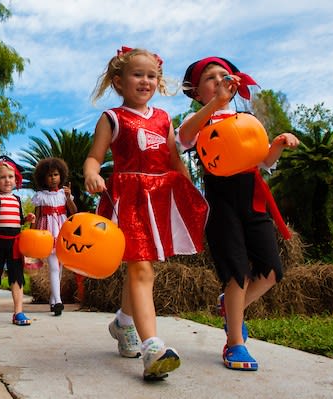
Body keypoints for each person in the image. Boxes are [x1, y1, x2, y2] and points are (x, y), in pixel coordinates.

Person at [83, 46, 209, 380]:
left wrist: (187, 190)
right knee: (141, 269)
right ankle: (152, 346)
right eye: (138, 74)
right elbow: (94, 157)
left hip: (159, 200)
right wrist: (92, 172)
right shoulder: (112, 118)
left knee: (142, 266)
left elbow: (173, 159)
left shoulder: (164, 118)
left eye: (151, 75)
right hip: (128, 201)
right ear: (119, 81)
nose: (146, 81)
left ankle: (123, 324)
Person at [177, 56, 299, 371]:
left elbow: (264, 161)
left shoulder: (245, 117)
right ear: (196, 92)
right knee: (236, 273)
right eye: (210, 78)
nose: (219, 80)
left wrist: (279, 144)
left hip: (254, 199)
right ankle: (235, 343)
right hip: (222, 203)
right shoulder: (201, 122)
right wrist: (213, 106)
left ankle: (231, 308)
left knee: (272, 271)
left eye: (224, 75)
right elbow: (182, 139)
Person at [0, 155, 36, 325]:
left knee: (17, 276)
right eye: (2, 177)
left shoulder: (17, 200)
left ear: (16, 179)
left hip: (15, 243)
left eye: (10, 177)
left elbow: (17, 219)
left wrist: (26, 219)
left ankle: (18, 312)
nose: (7, 180)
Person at [32, 157, 77, 316]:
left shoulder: (64, 194)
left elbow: (74, 211)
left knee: (60, 267)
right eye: (49, 175)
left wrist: (68, 196)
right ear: (43, 177)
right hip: (47, 232)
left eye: (56, 174)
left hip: (63, 230)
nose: (53, 178)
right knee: (53, 266)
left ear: (61, 175)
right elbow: (36, 217)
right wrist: (33, 234)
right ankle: (58, 301)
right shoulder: (40, 196)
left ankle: (53, 299)